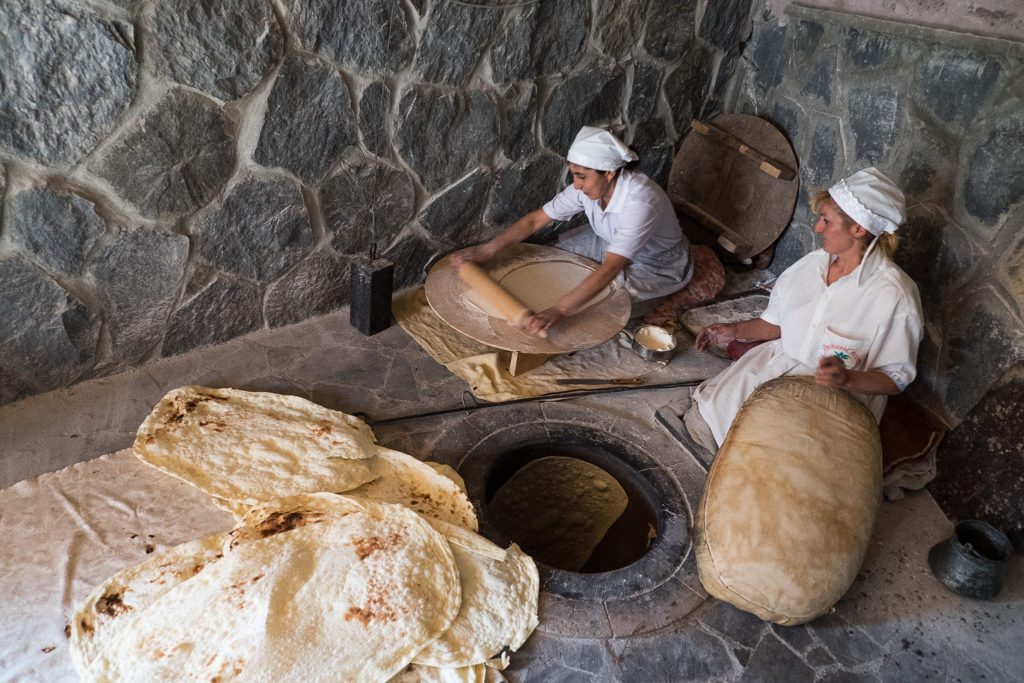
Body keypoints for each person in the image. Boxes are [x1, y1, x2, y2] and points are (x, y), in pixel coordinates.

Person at [685, 167, 923, 453]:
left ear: (858, 228)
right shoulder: (812, 265)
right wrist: (734, 330)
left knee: (770, 455)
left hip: (835, 394)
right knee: (708, 418)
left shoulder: (895, 297)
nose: (817, 228)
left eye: (826, 220)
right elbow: (775, 325)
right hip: (779, 364)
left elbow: (894, 379)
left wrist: (846, 378)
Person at [451, 125, 692, 336]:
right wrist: (487, 251)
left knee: (604, 303)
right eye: (574, 175)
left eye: (581, 177)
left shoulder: (641, 202)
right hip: (607, 240)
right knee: (551, 259)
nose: (575, 184)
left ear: (609, 173)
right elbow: (535, 221)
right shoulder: (587, 187)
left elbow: (611, 268)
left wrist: (559, 310)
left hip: (656, 263)